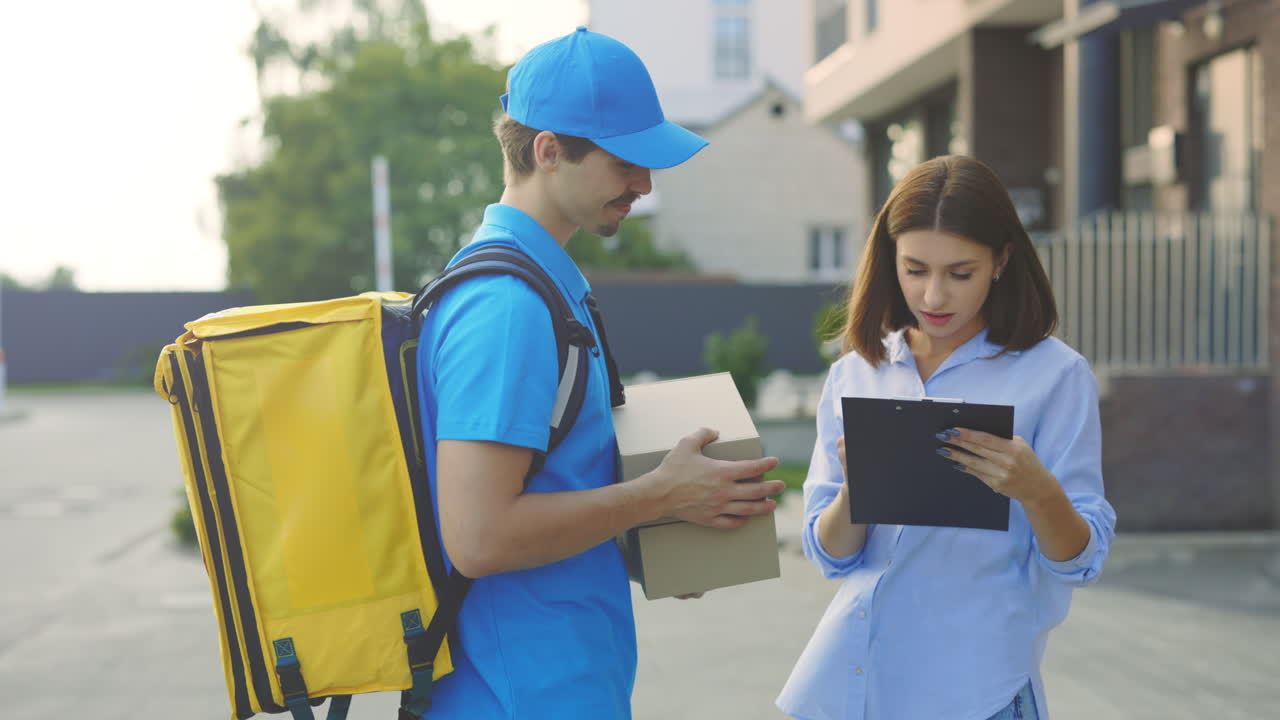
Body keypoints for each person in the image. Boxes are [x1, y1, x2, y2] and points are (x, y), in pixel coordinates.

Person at [415, 27, 784, 719]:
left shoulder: (548, 288)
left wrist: (656, 542)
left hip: (558, 685)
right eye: (625, 162)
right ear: (549, 151)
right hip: (520, 696)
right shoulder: (507, 309)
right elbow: (478, 535)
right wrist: (659, 499)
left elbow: (554, 489)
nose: (645, 184)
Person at [776, 155, 1116, 720]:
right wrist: (858, 491)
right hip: (854, 684)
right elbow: (829, 555)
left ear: (1001, 261)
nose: (934, 296)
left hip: (978, 690)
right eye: (915, 270)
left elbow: (1081, 562)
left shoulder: (1054, 376)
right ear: (890, 260)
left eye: (960, 273)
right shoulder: (857, 372)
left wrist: (1037, 491)